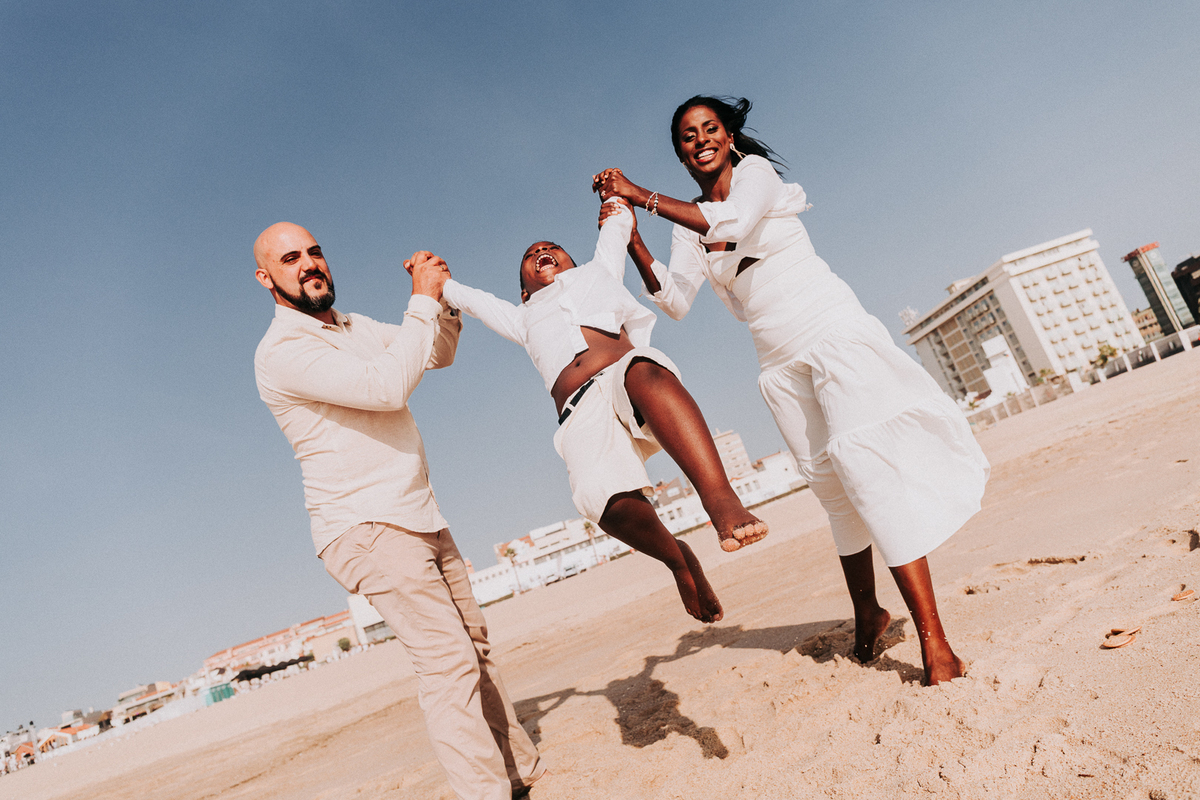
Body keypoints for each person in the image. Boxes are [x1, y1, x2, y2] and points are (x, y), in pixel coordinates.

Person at [593, 96, 990, 685]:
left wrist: (639, 193)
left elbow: (729, 224)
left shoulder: (758, 175)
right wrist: (631, 235)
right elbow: (674, 300)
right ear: (681, 152)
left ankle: (936, 642)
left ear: (729, 138)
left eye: (710, 129)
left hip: (831, 332)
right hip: (776, 361)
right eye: (687, 136)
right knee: (832, 490)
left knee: (870, 477)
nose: (700, 139)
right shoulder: (689, 221)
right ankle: (869, 613)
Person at [252, 222, 543, 800]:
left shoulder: (355, 326)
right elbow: (387, 388)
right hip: (364, 524)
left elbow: (436, 352)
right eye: (291, 259)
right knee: (447, 662)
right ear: (267, 279)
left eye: (315, 252)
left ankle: (517, 773)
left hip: (419, 512)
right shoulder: (281, 351)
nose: (310, 264)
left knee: (474, 648)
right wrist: (419, 301)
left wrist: (443, 300)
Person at [426, 200, 768, 624]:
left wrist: (614, 200)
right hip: (578, 410)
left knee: (646, 367)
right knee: (605, 503)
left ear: (572, 259)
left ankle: (721, 500)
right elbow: (470, 299)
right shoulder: (522, 317)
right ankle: (679, 560)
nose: (541, 253)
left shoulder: (598, 271)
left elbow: (616, 225)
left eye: (551, 247)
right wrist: (434, 276)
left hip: (626, 378)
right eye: (530, 256)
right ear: (523, 290)